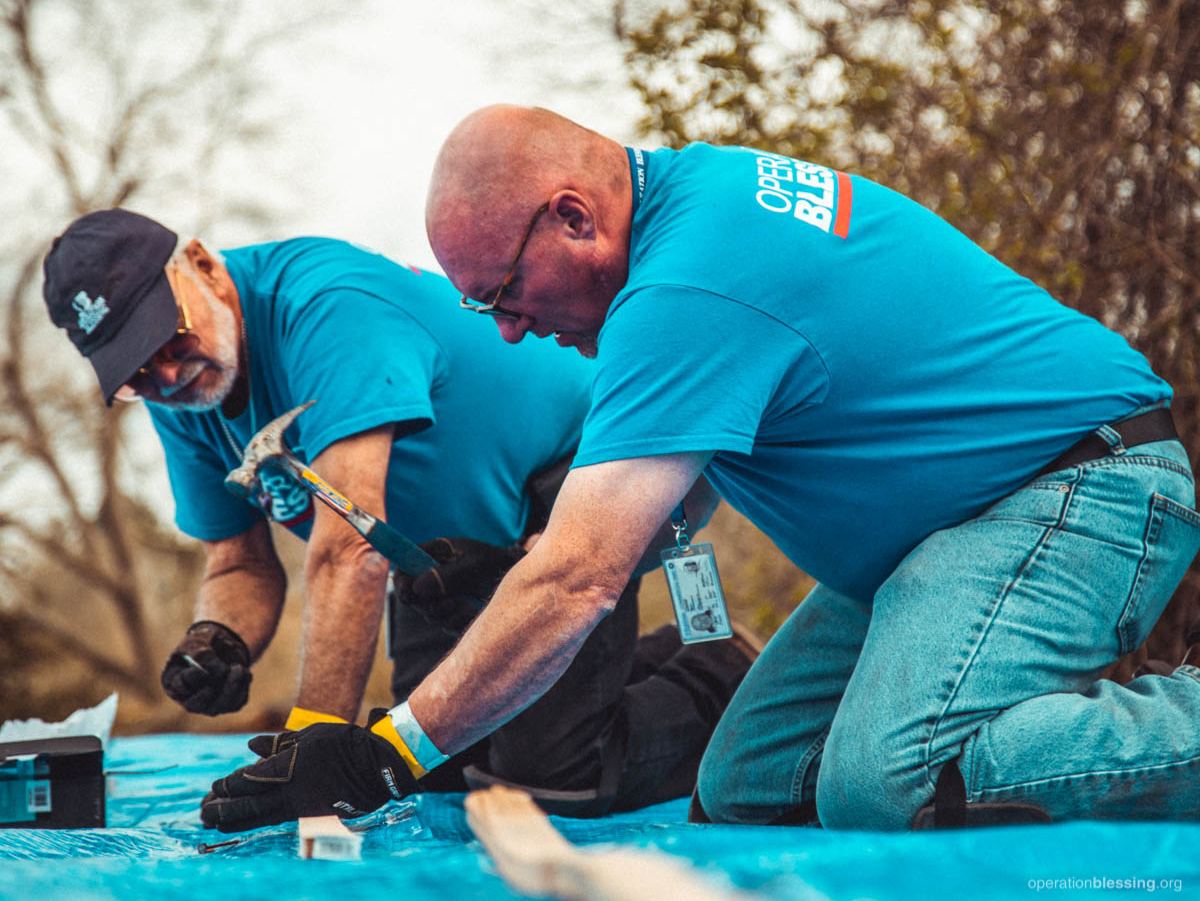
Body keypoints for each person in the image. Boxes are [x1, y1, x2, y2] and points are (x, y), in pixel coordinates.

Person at [198, 105, 1200, 834]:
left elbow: (583, 577)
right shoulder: (691, 213)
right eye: (480, 309)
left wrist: (388, 750)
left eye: (504, 290)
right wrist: (508, 565)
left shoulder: (686, 285)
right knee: (746, 786)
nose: (507, 328)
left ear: (575, 217)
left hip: (1078, 489)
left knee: (883, 782)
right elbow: (664, 508)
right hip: (932, 541)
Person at [41, 208, 757, 816]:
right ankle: (629, 663)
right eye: (136, 372)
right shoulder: (185, 399)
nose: (165, 375)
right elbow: (237, 562)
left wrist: (311, 750)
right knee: (440, 764)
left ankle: (721, 670)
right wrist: (216, 638)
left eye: (169, 339)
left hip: (586, 470)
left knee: (549, 776)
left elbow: (348, 552)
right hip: (443, 552)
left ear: (199, 264)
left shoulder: (324, 305)